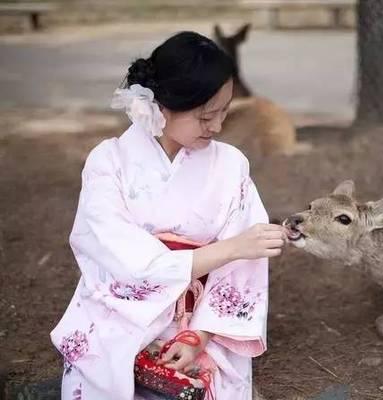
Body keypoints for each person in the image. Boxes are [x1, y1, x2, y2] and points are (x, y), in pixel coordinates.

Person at [50, 31, 287, 400]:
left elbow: (244, 267)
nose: (218, 127)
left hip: (199, 323)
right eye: (206, 116)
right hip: (119, 316)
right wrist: (232, 248)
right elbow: (120, 258)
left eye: (224, 111)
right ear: (162, 107)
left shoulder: (230, 165)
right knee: (106, 373)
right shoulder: (109, 161)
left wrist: (199, 336)